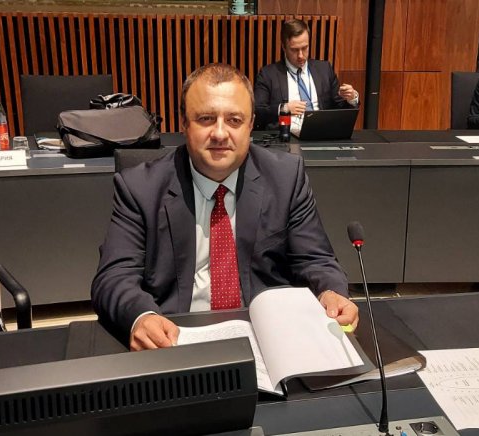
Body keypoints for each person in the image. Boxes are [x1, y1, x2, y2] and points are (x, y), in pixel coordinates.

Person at [92, 63, 358, 350]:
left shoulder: (285, 178)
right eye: (206, 118)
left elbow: (315, 259)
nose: (220, 133)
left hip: (268, 337)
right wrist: (142, 317)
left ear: (251, 124)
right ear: (184, 123)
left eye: (234, 120)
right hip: (175, 338)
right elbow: (114, 276)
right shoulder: (140, 188)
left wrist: (331, 292)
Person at [253, 19, 358, 133]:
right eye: (294, 50)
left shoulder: (324, 69)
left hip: (322, 134)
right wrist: (284, 108)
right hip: (287, 136)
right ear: (284, 47)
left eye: (304, 48)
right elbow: (257, 111)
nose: (300, 55)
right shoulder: (268, 74)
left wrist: (351, 98)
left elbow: (340, 108)